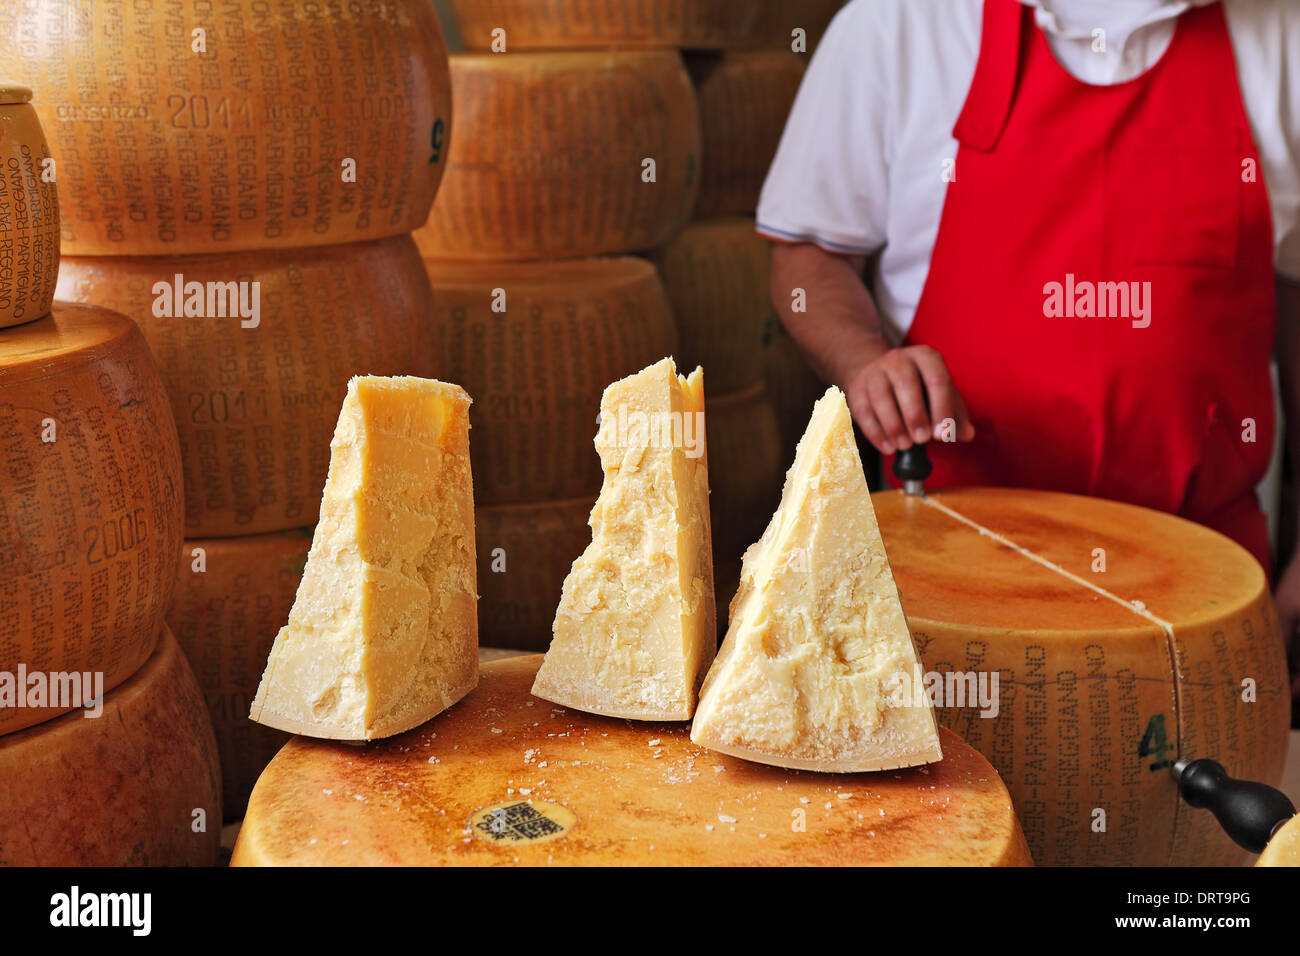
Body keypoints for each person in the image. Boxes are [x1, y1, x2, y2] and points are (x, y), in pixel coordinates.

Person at [758, 0, 1300, 702]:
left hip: (1205, 605)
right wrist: (866, 360)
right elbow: (808, 254)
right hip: (948, 597)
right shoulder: (898, 24)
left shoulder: (1280, 33)